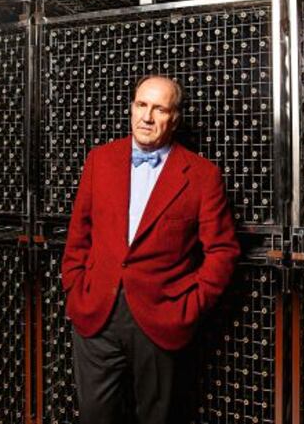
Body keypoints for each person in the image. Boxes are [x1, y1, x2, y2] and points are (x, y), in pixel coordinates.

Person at [61, 75, 240, 424]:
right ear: (131, 109)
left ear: (174, 118)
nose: (147, 117)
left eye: (159, 109)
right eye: (141, 105)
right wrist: (74, 283)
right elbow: (78, 233)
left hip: (162, 318)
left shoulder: (203, 175)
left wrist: (189, 305)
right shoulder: (100, 160)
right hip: (96, 311)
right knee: (95, 416)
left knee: (158, 418)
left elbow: (223, 251)